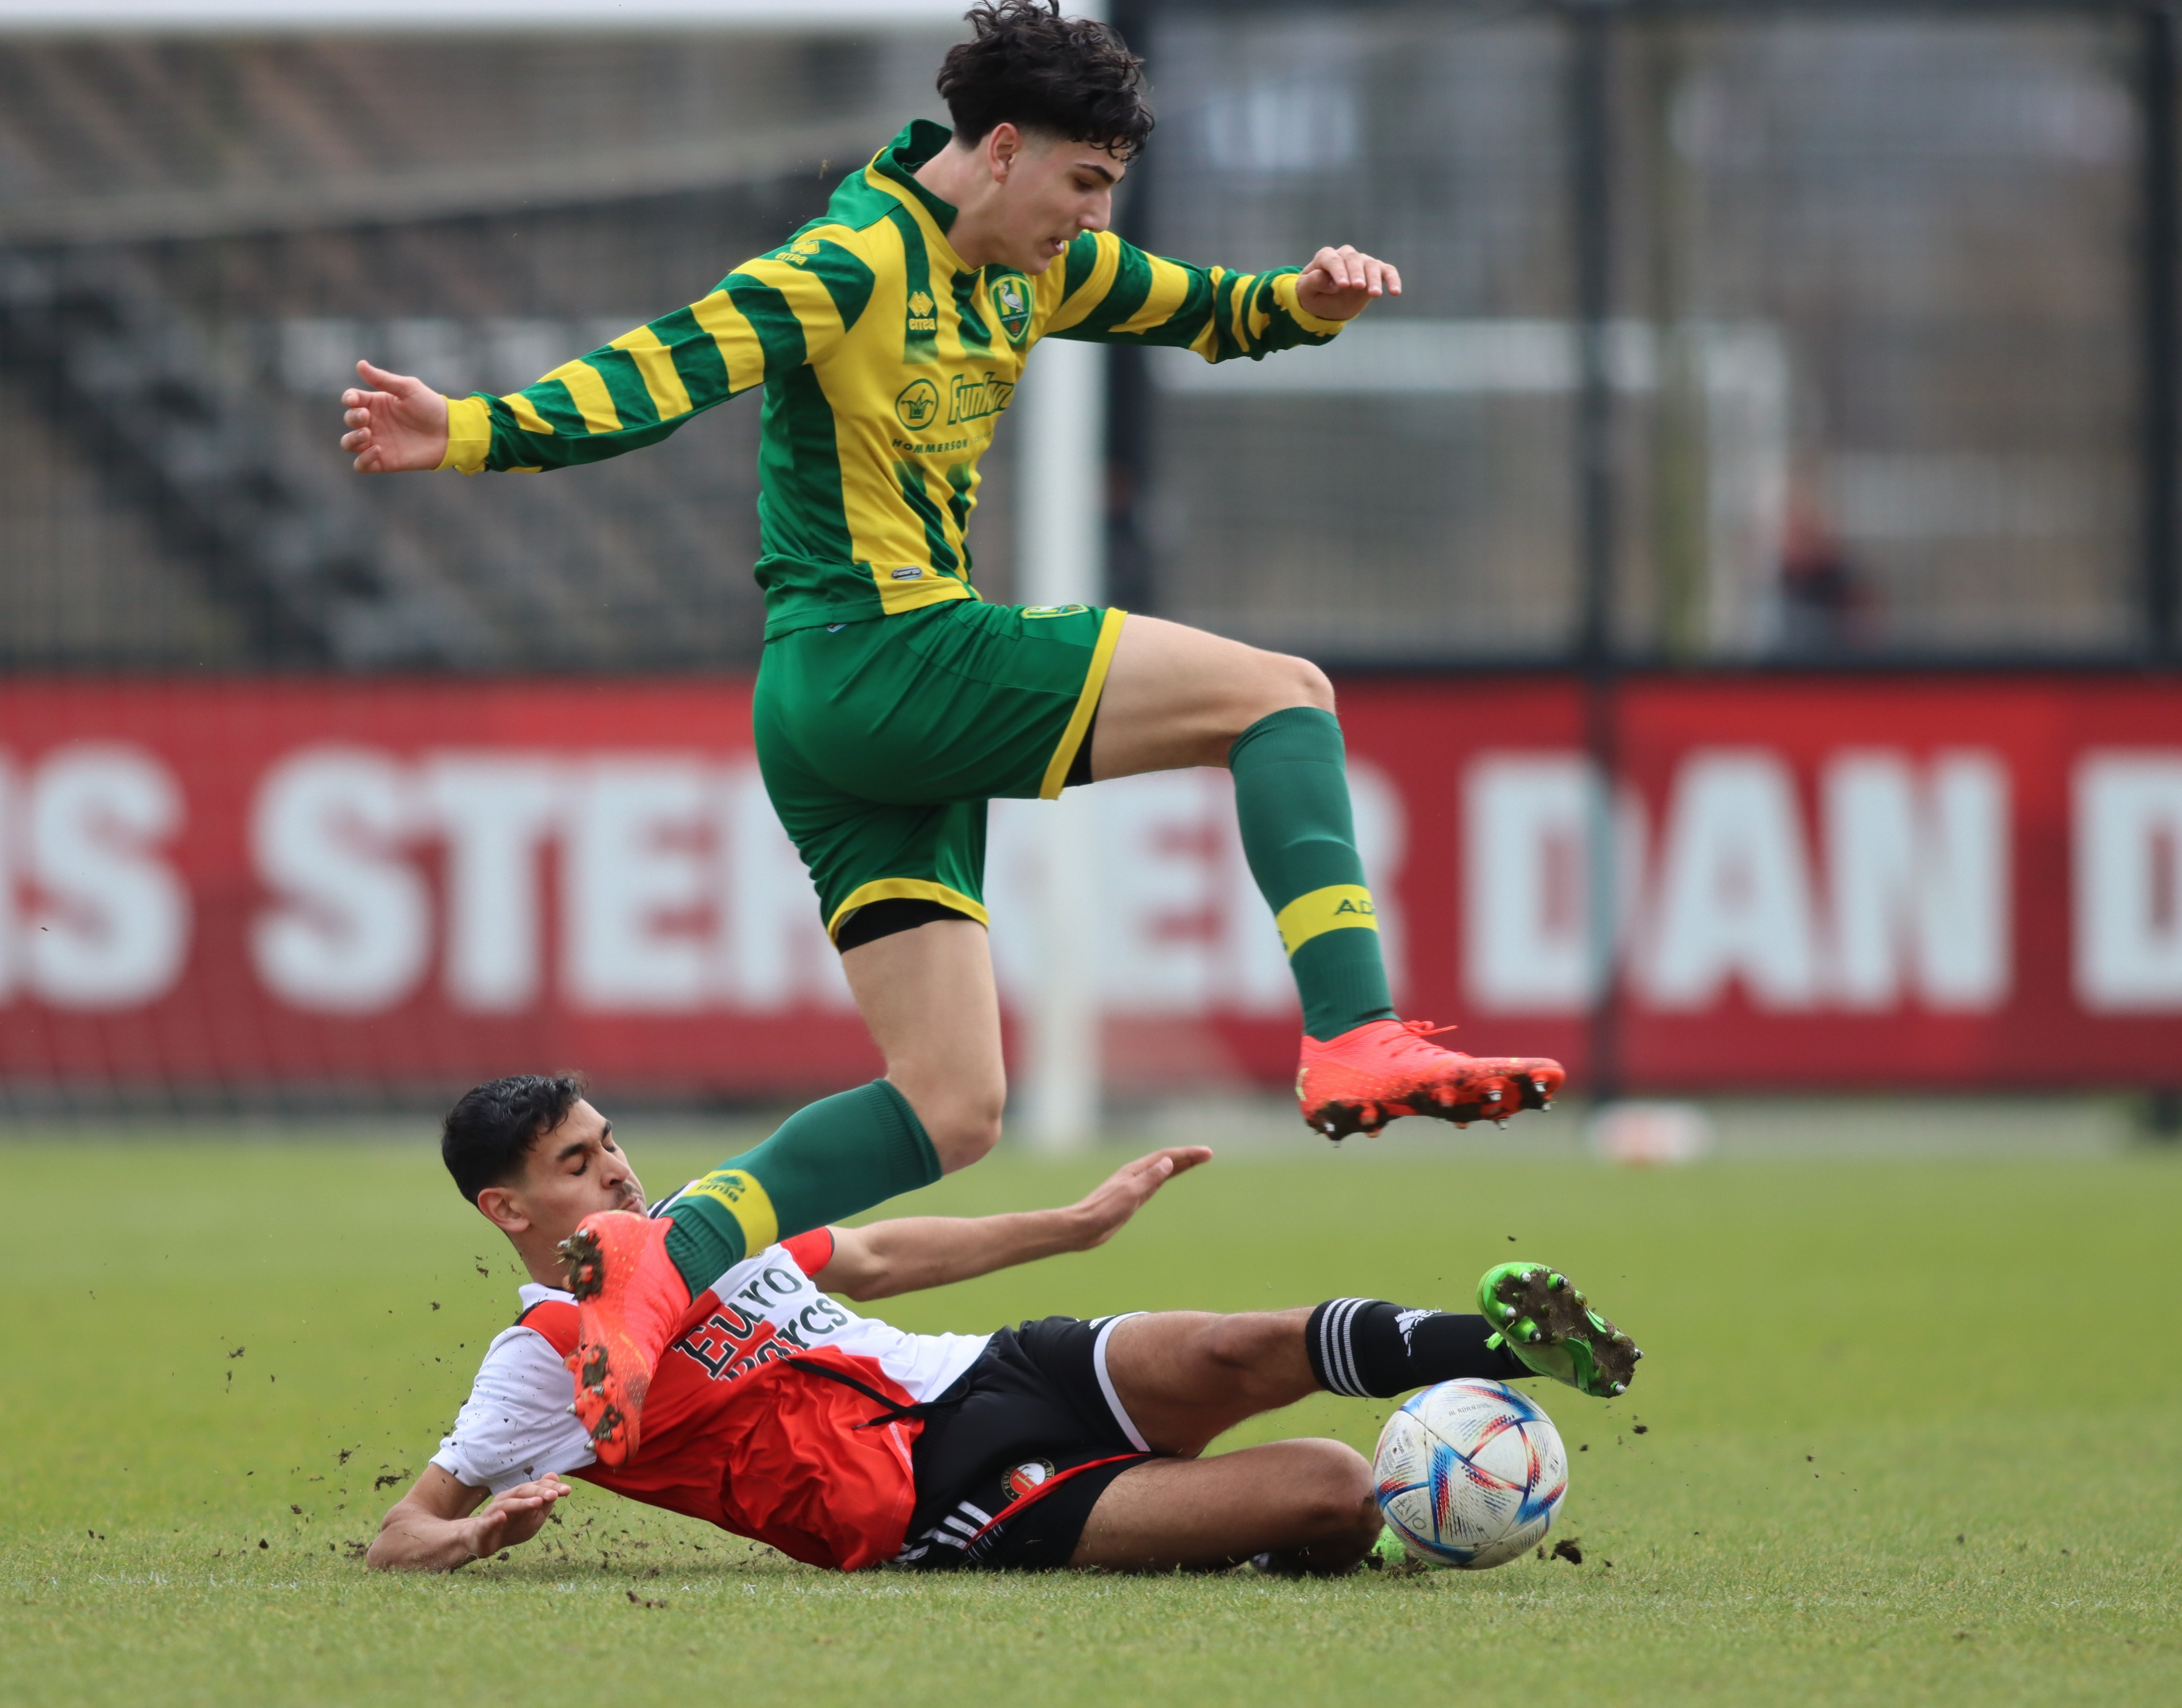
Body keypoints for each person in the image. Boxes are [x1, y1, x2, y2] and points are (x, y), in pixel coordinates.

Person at [339, 3, 1564, 1459]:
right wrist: (466, 428)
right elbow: (664, 369)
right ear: (997, 152)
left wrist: (1309, 300)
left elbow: (1216, 313)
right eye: (1085, 185)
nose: (1095, 218)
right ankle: (1355, 1033)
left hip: (837, 720)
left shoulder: (1032, 262)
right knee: (1281, 696)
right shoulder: (850, 258)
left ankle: (649, 1267)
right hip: (888, 653)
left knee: (953, 1106)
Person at [367, 1076, 1639, 1576]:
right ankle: (1263, 1540)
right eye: (578, 1163)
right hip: (942, 1497)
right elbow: (395, 1537)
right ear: (506, 1207)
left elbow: (865, 1252)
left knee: (1227, 1349)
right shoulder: (541, 1364)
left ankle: (1508, 1348)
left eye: (610, 1141)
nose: (618, 1172)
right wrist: (478, 1530)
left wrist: (1072, 1226)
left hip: (988, 1368)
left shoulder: (703, 1225)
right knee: (1335, 1489)